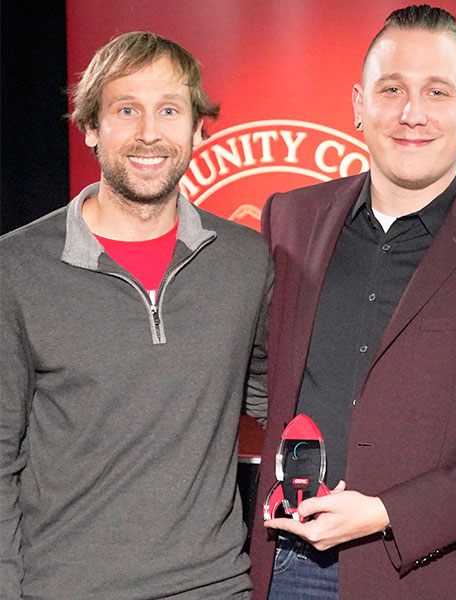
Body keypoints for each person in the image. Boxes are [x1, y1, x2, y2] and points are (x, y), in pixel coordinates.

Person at [248, 5, 456, 600]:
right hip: (288, 565)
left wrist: (385, 512)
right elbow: (258, 375)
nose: (412, 113)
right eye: (392, 89)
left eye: (437, 91)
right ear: (358, 104)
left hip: (438, 576)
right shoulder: (289, 220)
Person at [0, 32, 272, 599]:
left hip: (212, 586)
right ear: (92, 128)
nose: (150, 132)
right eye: (127, 110)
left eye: (170, 110)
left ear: (198, 128)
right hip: (64, 588)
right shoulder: (16, 267)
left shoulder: (246, 262)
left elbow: (287, 401)